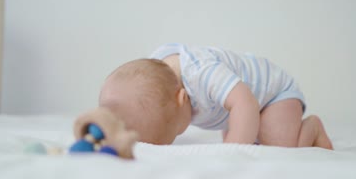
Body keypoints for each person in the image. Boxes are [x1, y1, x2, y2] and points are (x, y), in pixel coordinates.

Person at [76, 43, 333, 149]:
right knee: (248, 131)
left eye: (175, 131)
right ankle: (255, 134)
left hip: (274, 94)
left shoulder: (202, 73)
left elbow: (245, 103)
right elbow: (130, 98)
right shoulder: (155, 76)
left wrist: (234, 151)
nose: (178, 134)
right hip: (233, 108)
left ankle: (311, 128)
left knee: (279, 145)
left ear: (182, 98)